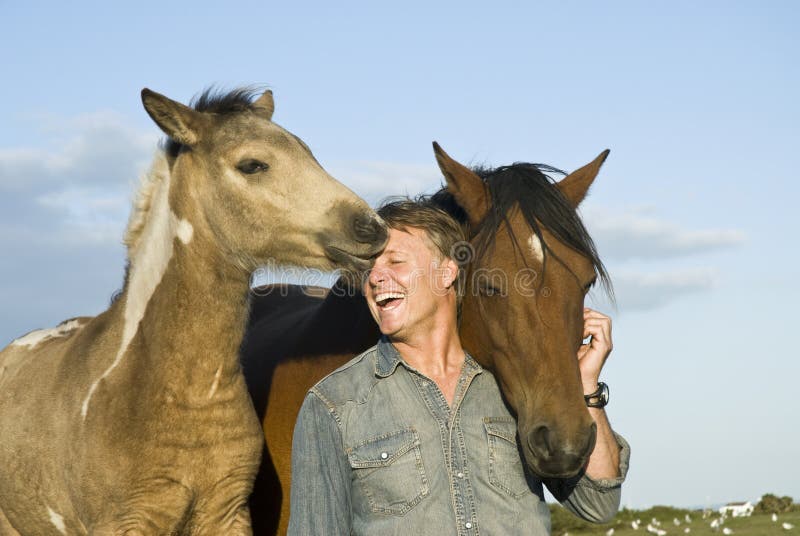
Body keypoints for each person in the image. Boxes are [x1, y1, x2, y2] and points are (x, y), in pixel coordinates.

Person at [288, 198, 630, 535]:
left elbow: (598, 503)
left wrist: (586, 387)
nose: (376, 277)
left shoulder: (509, 387)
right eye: (369, 267)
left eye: (395, 261)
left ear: (448, 271)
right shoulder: (333, 404)